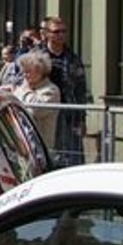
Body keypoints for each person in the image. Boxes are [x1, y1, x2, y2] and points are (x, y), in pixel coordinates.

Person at [39, 16, 90, 167]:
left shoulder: (72, 58)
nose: (61, 35)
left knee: (72, 157)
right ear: (47, 33)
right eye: (56, 32)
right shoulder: (37, 56)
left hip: (69, 115)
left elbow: (81, 88)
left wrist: (82, 119)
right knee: (47, 156)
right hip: (45, 114)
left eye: (63, 31)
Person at [13, 50, 62, 140]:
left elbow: (34, 110)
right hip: (22, 142)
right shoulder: (22, 87)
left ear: (40, 71)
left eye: (28, 71)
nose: (25, 75)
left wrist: (26, 91)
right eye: (23, 71)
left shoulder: (51, 90)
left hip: (40, 144)